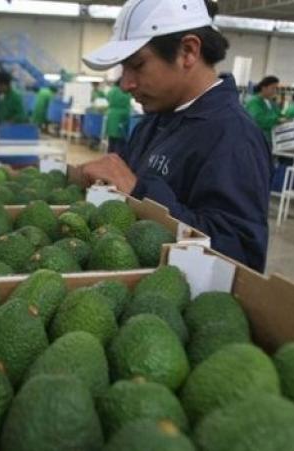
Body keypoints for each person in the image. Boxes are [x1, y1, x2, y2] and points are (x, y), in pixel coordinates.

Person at [78, 0, 271, 272]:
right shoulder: (153, 122)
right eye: (124, 69)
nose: (125, 83)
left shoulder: (233, 137)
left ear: (188, 52)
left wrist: (140, 191)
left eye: (137, 65)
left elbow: (239, 255)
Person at [245, 76, 282, 142]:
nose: (275, 91)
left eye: (276, 88)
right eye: (273, 88)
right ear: (264, 88)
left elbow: (278, 114)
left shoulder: (271, 102)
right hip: (257, 140)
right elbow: (258, 119)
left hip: (270, 140)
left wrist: (286, 118)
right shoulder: (254, 102)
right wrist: (277, 120)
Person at [105, 80, 132, 153]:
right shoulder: (125, 91)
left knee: (111, 140)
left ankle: (110, 155)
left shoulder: (112, 91)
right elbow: (130, 99)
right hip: (123, 115)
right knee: (121, 139)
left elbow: (107, 98)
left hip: (112, 115)